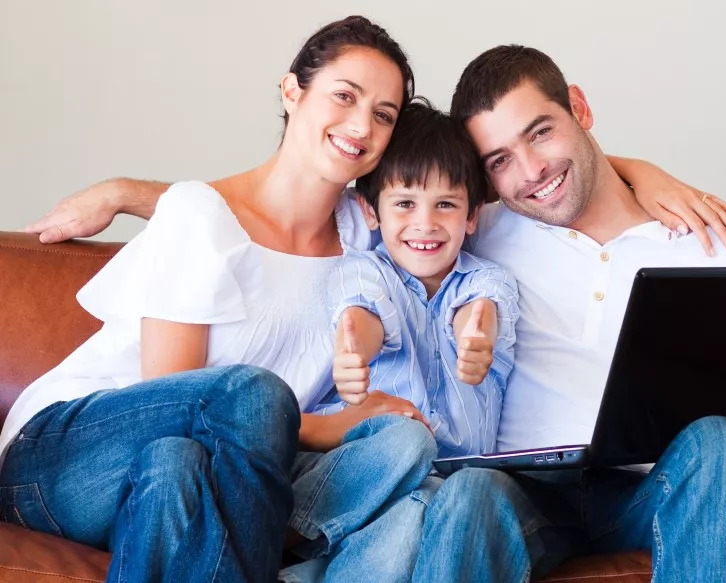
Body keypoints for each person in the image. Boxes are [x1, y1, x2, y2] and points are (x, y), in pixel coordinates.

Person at [0, 16, 442, 583]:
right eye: (344, 96)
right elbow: (178, 398)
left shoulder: (365, 234)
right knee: (245, 394)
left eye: (383, 115)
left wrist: (130, 193)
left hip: (180, 468)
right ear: (292, 91)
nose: (361, 124)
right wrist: (334, 426)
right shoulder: (199, 215)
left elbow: (463, 196)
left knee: (176, 470)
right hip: (61, 456)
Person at [409, 45, 726, 583]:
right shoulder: (471, 229)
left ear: (579, 108)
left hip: (664, 492)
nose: (531, 172)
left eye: (540, 133)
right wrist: (635, 170)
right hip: (524, 495)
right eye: (500, 160)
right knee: (467, 492)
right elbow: (367, 200)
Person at [318, 98, 519, 457]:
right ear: (371, 211)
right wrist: (355, 354)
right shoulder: (365, 270)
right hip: (378, 460)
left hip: (461, 474)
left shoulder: (486, 278)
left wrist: (475, 339)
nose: (425, 224)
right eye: (405, 204)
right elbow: (365, 315)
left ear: (472, 215)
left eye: (445, 204)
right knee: (407, 441)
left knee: (476, 488)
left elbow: (475, 311)